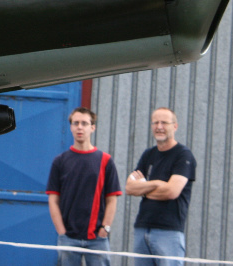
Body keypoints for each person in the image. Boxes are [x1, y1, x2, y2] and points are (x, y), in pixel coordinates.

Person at [46, 107, 122, 266]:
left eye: (84, 123)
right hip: (68, 238)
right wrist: (62, 232)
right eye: (76, 123)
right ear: (71, 127)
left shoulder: (105, 160)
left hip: (97, 240)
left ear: (92, 127)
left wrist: (105, 229)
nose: (80, 127)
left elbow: (112, 199)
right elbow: (53, 200)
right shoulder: (60, 161)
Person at [125, 107, 197, 266]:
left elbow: (172, 191)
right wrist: (157, 184)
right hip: (142, 229)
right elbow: (130, 188)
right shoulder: (148, 154)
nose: (159, 127)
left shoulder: (183, 155)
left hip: (168, 231)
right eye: (155, 122)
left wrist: (144, 188)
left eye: (164, 122)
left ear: (175, 126)